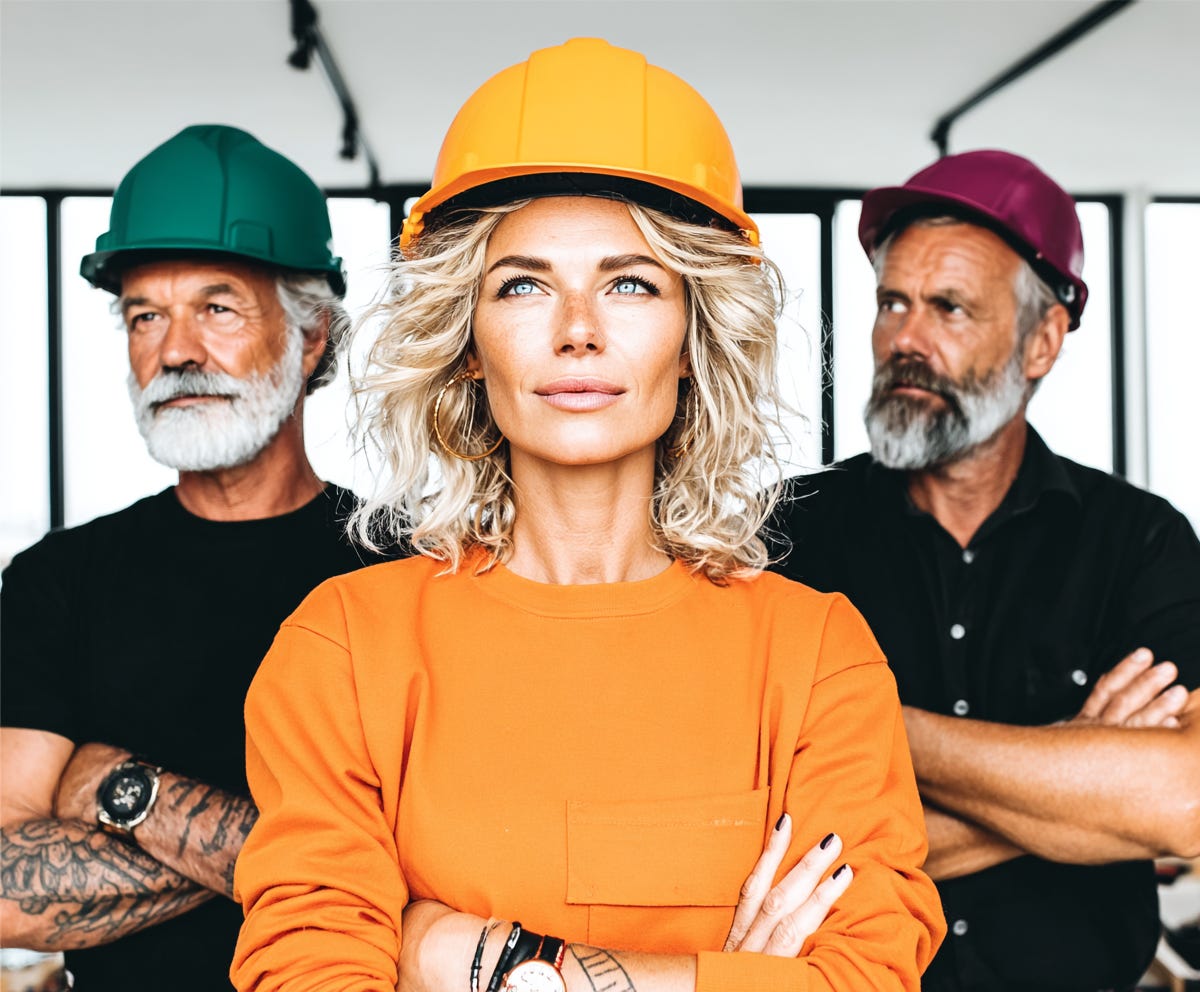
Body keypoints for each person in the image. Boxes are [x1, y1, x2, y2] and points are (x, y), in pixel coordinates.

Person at [231, 37, 944, 992]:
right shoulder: (345, 650)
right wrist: (725, 976)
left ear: (693, 339)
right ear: (469, 346)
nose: (577, 329)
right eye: (522, 284)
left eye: (631, 283)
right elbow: (307, 972)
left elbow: (868, 979)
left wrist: (482, 960)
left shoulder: (816, 657)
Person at [768, 149, 1200, 992]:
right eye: (892, 302)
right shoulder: (787, 534)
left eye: (949, 308)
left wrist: (869, 731)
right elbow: (753, 836)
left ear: (1042, 341)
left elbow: (1183, 801)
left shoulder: (1139, 542)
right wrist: (1081, 768)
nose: (905, 340)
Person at [0, 124, 388, 991]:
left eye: (217, 309)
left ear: (312, 336)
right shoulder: (59, 583)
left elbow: (452, 868)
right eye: (146, 316)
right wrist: (323, 866)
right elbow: (4, 891)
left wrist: (122, 792)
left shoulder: (404, 573)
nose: (174, 352)